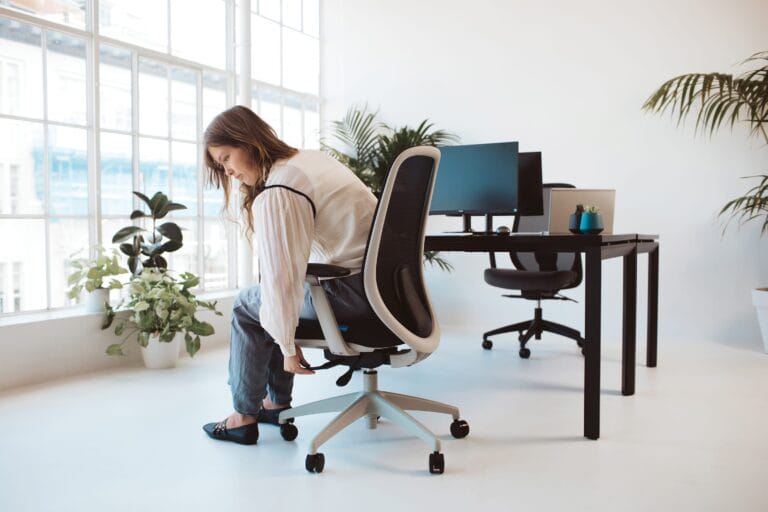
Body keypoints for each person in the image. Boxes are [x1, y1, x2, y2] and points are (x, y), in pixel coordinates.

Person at [201, 105, 377, 445]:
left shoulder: (281, 187)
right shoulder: (311, 161)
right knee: (268, 302)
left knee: (247, 303)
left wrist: (287, 345)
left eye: (226, 158)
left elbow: (281, 279)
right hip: (379, 290)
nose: (229, 172)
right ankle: (275, 403)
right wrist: (284, 326)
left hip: (349, 294)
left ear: (247, 142)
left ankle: (243, 416)